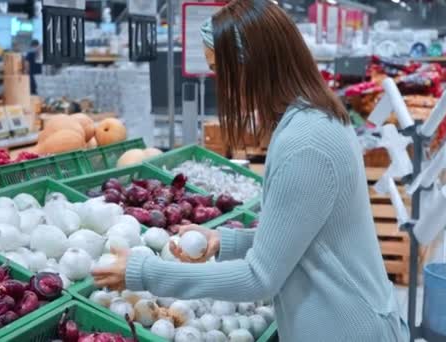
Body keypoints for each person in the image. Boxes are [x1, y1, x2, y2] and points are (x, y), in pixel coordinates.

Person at [92, 1, 409, 340]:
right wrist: (226, 242)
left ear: (251, 66)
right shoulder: (313, 118)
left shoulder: (306, 143)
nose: (219, 84)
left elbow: (260, 278)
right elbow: (304, 238)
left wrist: (146, 273)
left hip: (345, 328)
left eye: (219, 70)